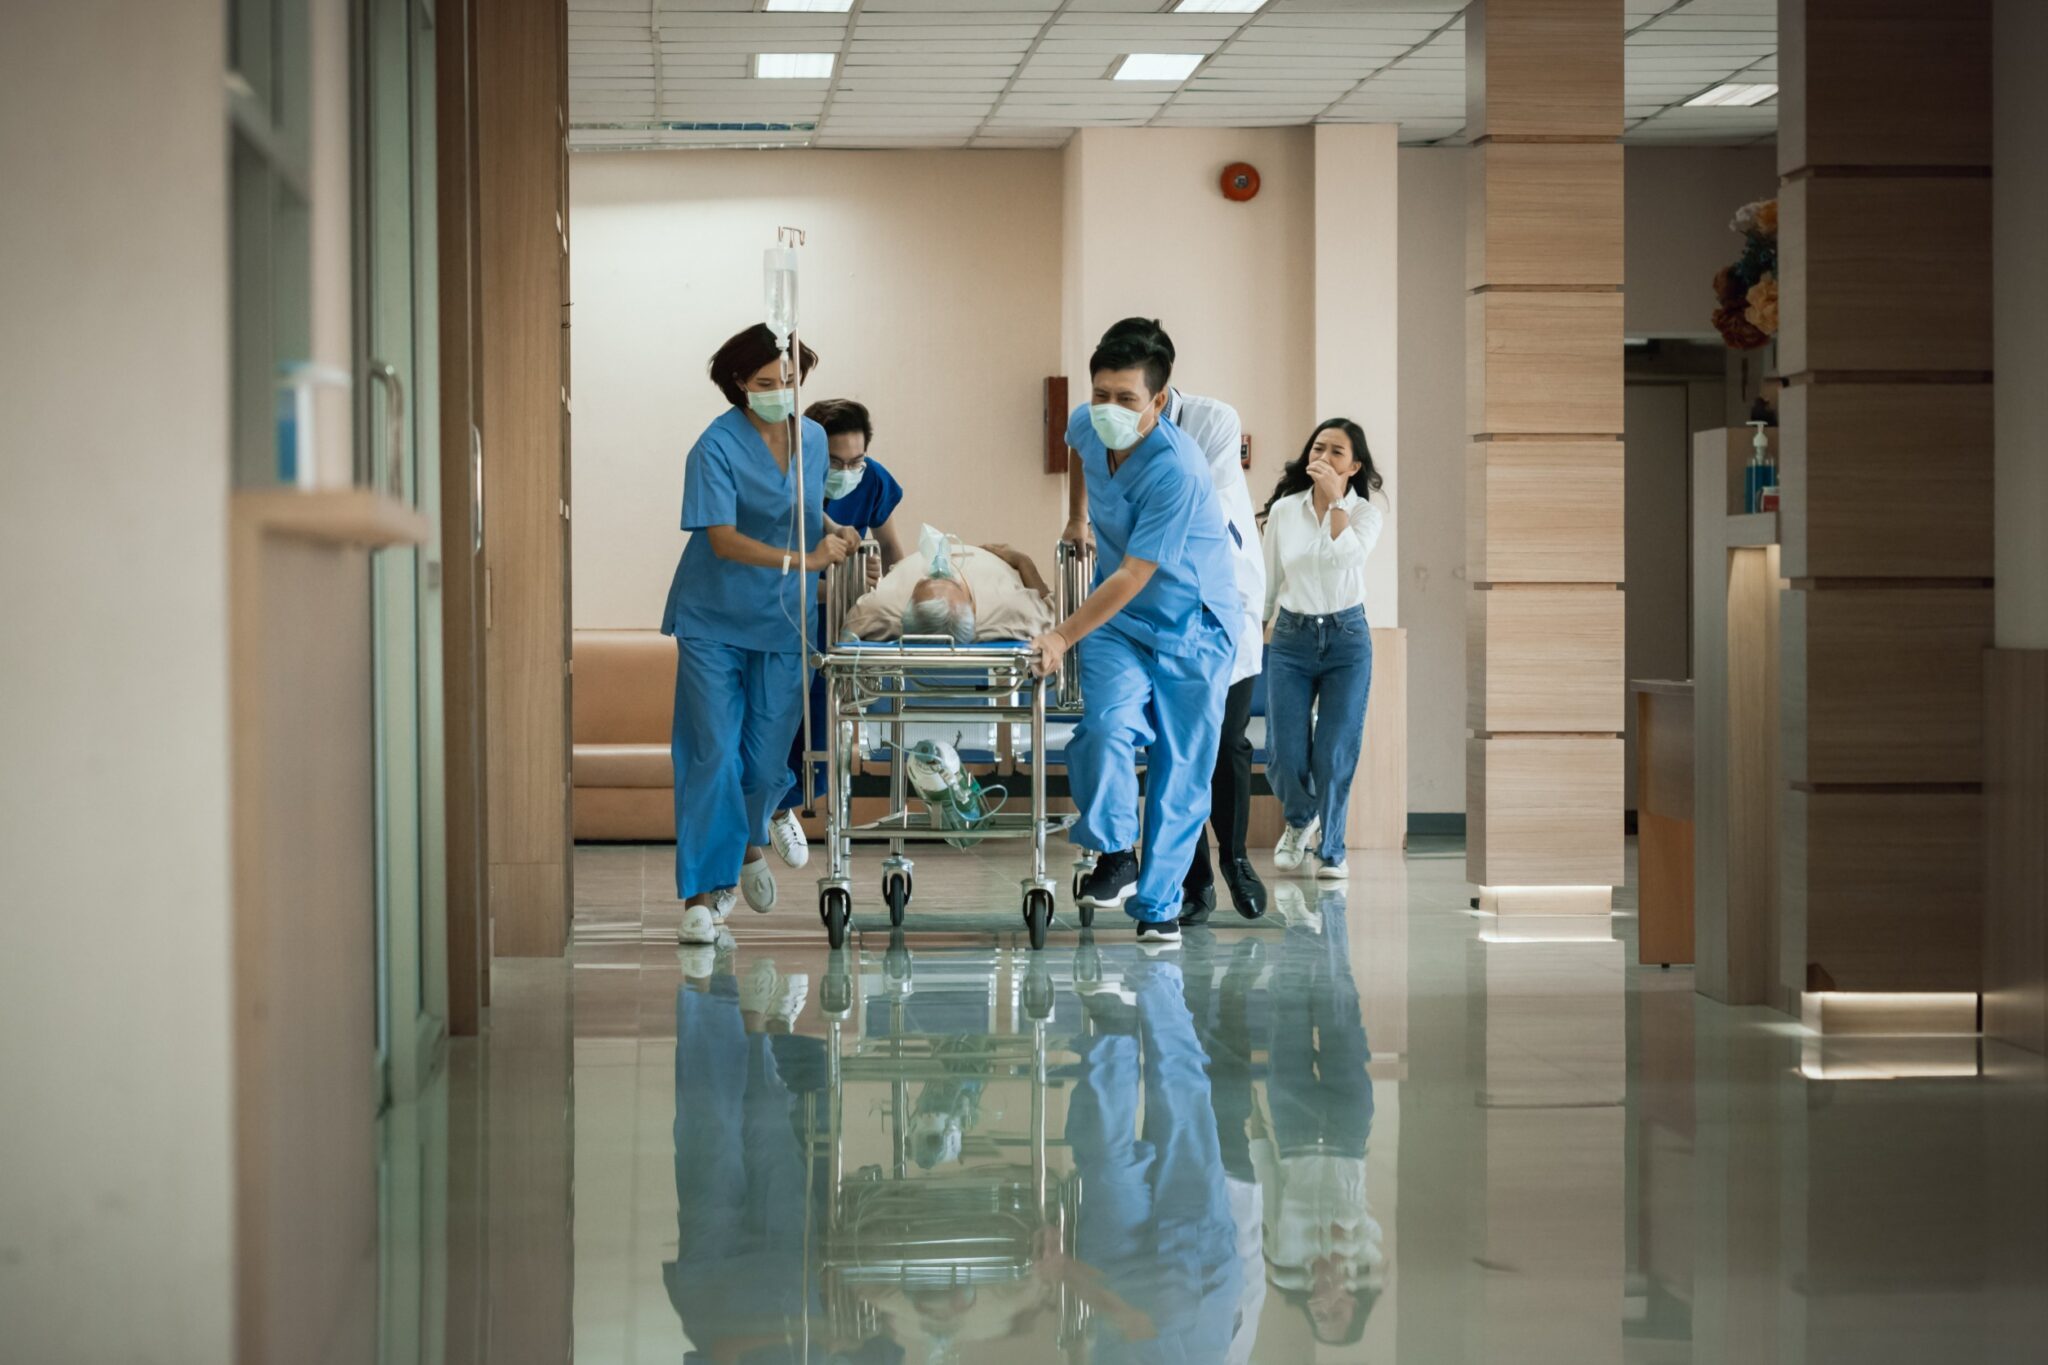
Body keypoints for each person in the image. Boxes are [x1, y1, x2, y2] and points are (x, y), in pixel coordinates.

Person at [1031, 325, 1240, 946]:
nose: (1110, 409)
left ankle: (1158, 904)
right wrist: (1077, 516)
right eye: (1102, 394)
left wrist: (1060, 637)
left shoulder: (1178, 469)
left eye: (1127, 398)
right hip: (1120, 624)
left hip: (1194, 625)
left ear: (1158, 398)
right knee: (1104, 728)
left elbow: (1133, 572)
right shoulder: (1088, 423)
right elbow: (1076, 446)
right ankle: (1116, 850)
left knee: (1182, 769)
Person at [662, 324, 858, 946]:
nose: (781, 393)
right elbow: (720, 538)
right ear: (739, 384)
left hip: (784, 622)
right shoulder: (713, 448)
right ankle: (702, 895)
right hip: (713, 619)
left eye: (790, 381)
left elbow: (796, 508)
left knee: (765, 758)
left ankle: (748, 844)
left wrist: (835, 530)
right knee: (712, 753)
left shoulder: (815, 438)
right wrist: (806, 560)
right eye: (766, 384)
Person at [767, 398, 906, 870]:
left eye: (856, 461)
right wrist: (839, 583)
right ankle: (774, 808)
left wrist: (891, 589)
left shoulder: (873, 481)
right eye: (835, 462)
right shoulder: (785, 485)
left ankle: (786, 803)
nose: (848, 471)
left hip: (835, 629)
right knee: (776, 722)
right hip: (782, 619)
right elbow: (779, 575)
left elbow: (890, 550)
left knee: (824, 731)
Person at [1252, 883, 1384, 1348]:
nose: (1320, 1306)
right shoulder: (1368, 1262)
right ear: (1353, 1303)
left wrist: (1255, 1127)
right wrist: (1341, 1252)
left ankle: (1297, 926)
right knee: (1338, 1007)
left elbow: (1266, 1185)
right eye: (1335, 1313)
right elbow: (1360, 1218)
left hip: (1293, 1131)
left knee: (1288, 1013)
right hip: (1349, 1131)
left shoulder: (1284, 1259)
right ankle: (1329, 919)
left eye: (1318, 1317)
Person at [1259, 418, 1386, 880]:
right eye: (1318, 448)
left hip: (1347, 639)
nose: (1324, 458)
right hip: (1291, 637)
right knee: (1284, 753)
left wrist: (1336, 502)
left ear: (1354, 465)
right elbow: (1270, 576)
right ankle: (1299, 820)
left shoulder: (1366, 515)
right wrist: (1260, 623)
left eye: (1336, 452)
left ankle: (1332, 849)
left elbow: (1345, 558)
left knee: (1334, 752)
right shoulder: (1285, 511)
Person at [842, 531, 1054, 643]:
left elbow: (849, 630)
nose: (940, 568)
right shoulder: (1012, 613)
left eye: (925, 581)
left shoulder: (883, 610)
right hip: (997, 563)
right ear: (971, 605)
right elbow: (1053, 614)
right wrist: (1023, 562)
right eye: (952, 582)